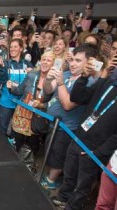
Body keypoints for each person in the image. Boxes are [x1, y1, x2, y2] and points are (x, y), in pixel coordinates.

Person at [51, 45, 117, 210]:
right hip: (79, 137)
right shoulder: (108, 81)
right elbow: (78, 96)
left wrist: (99, 153)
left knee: (83, 186)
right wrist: (84, 77)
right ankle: (62, 198)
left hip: (95, 149)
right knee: (69, 174)